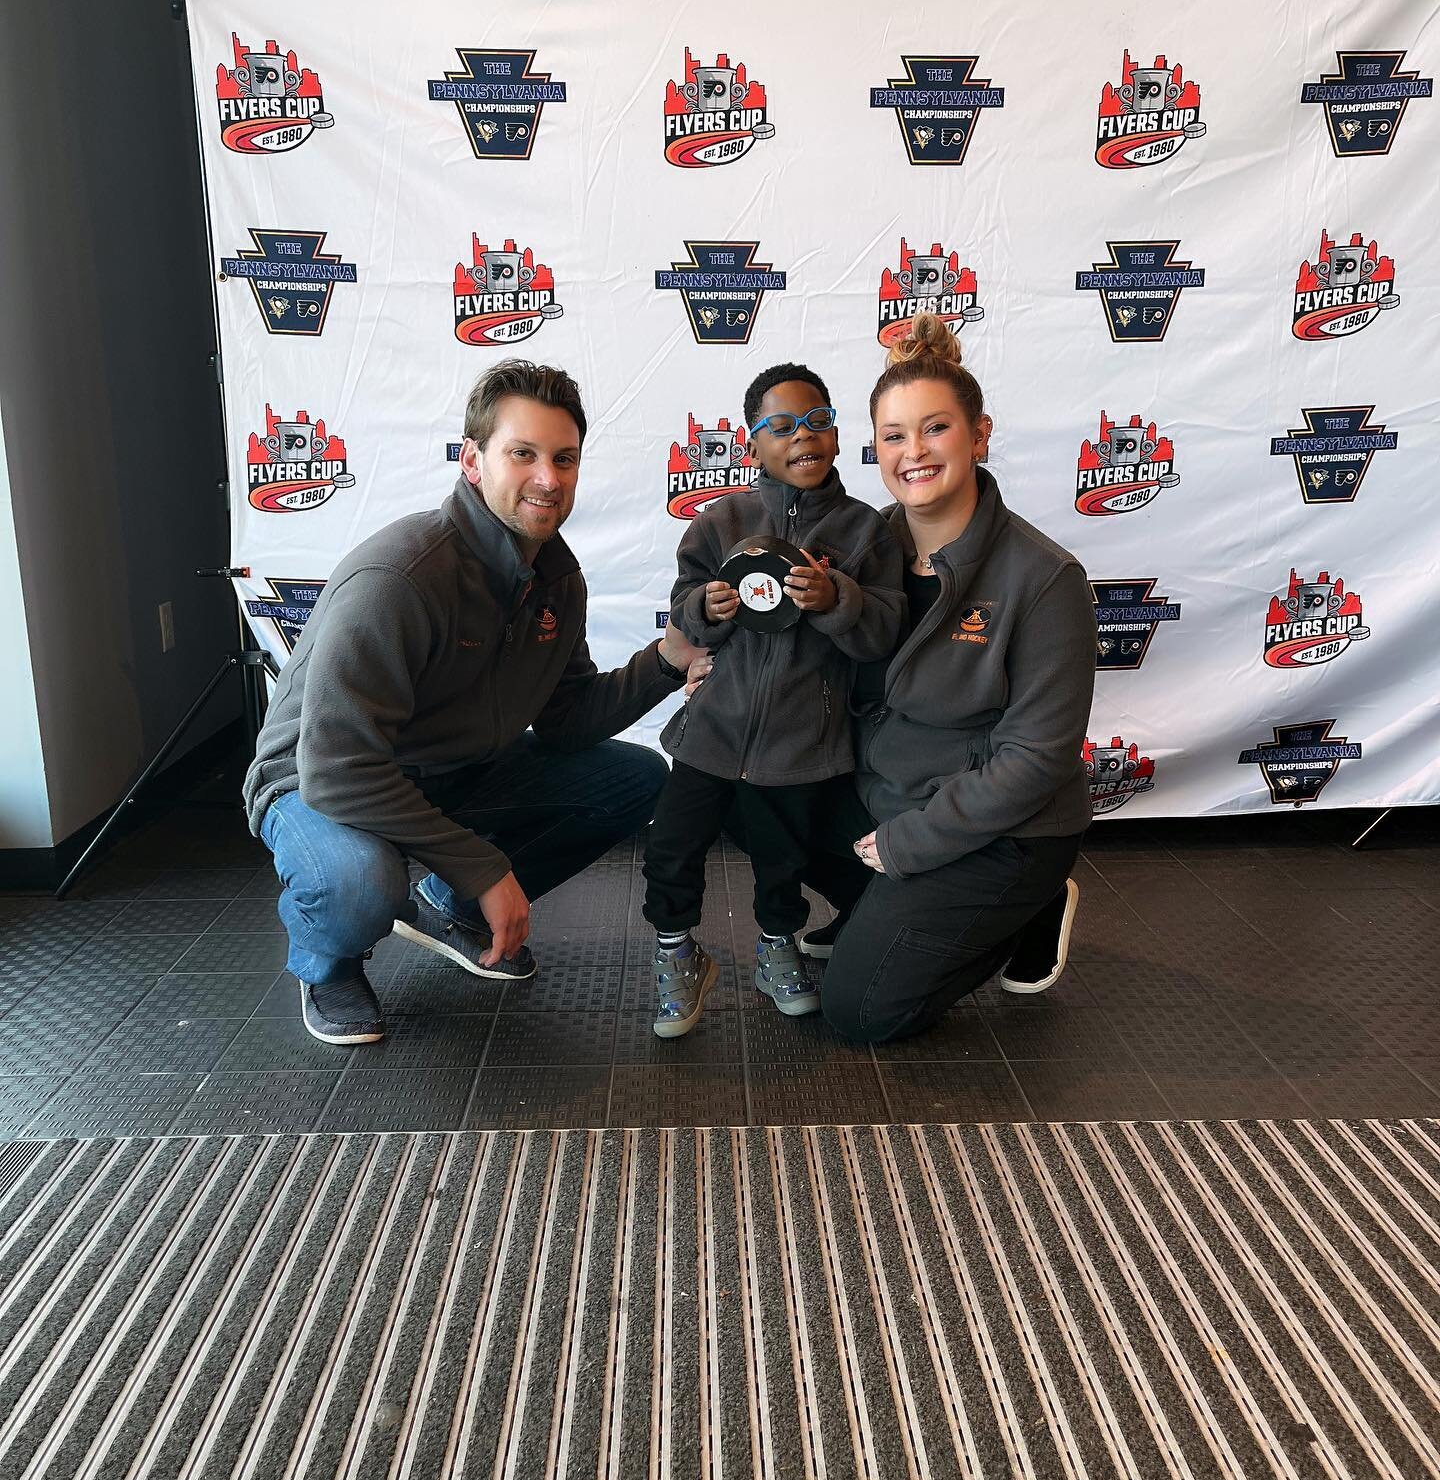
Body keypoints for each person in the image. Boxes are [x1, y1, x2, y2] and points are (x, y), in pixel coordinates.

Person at [243, 359, 705, 1047]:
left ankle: (452, 911)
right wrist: (485, 865)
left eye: (564, 457)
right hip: (319, 783)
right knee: (361, 885)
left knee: (633, 779)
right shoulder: (400, 576)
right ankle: (328, 963)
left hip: (454, 769)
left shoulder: (556, 576)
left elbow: (568, 719)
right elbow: (338, 769)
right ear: (472, 460)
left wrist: (665, 663)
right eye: (523, 454)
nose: (548, 478)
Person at [795, 313, 1096, 1042]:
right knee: (751, 789)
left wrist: (912, 843)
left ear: (979, 435)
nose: (914, 452)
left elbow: (1036, 758)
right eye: (895, 436)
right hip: (888, 794)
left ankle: (1030, 905)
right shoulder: (860, 550)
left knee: (858, 1011)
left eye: (936, 429)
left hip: (1003, 829)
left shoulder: (1044, 578)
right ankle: (889, 911)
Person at [641, 362, 904, 1037]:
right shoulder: (721, 521)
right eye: (781, 426)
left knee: (781, 860)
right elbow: (682, 612)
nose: (802, 437)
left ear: (839, 437)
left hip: (801, 743)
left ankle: (775, 948)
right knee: (672, 846)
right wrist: (707, 605)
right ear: (751, 443)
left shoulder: (866, 532)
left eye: (818, 422)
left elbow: (881, 633)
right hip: (712, 732)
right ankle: (676, 953)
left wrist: (836, 597)